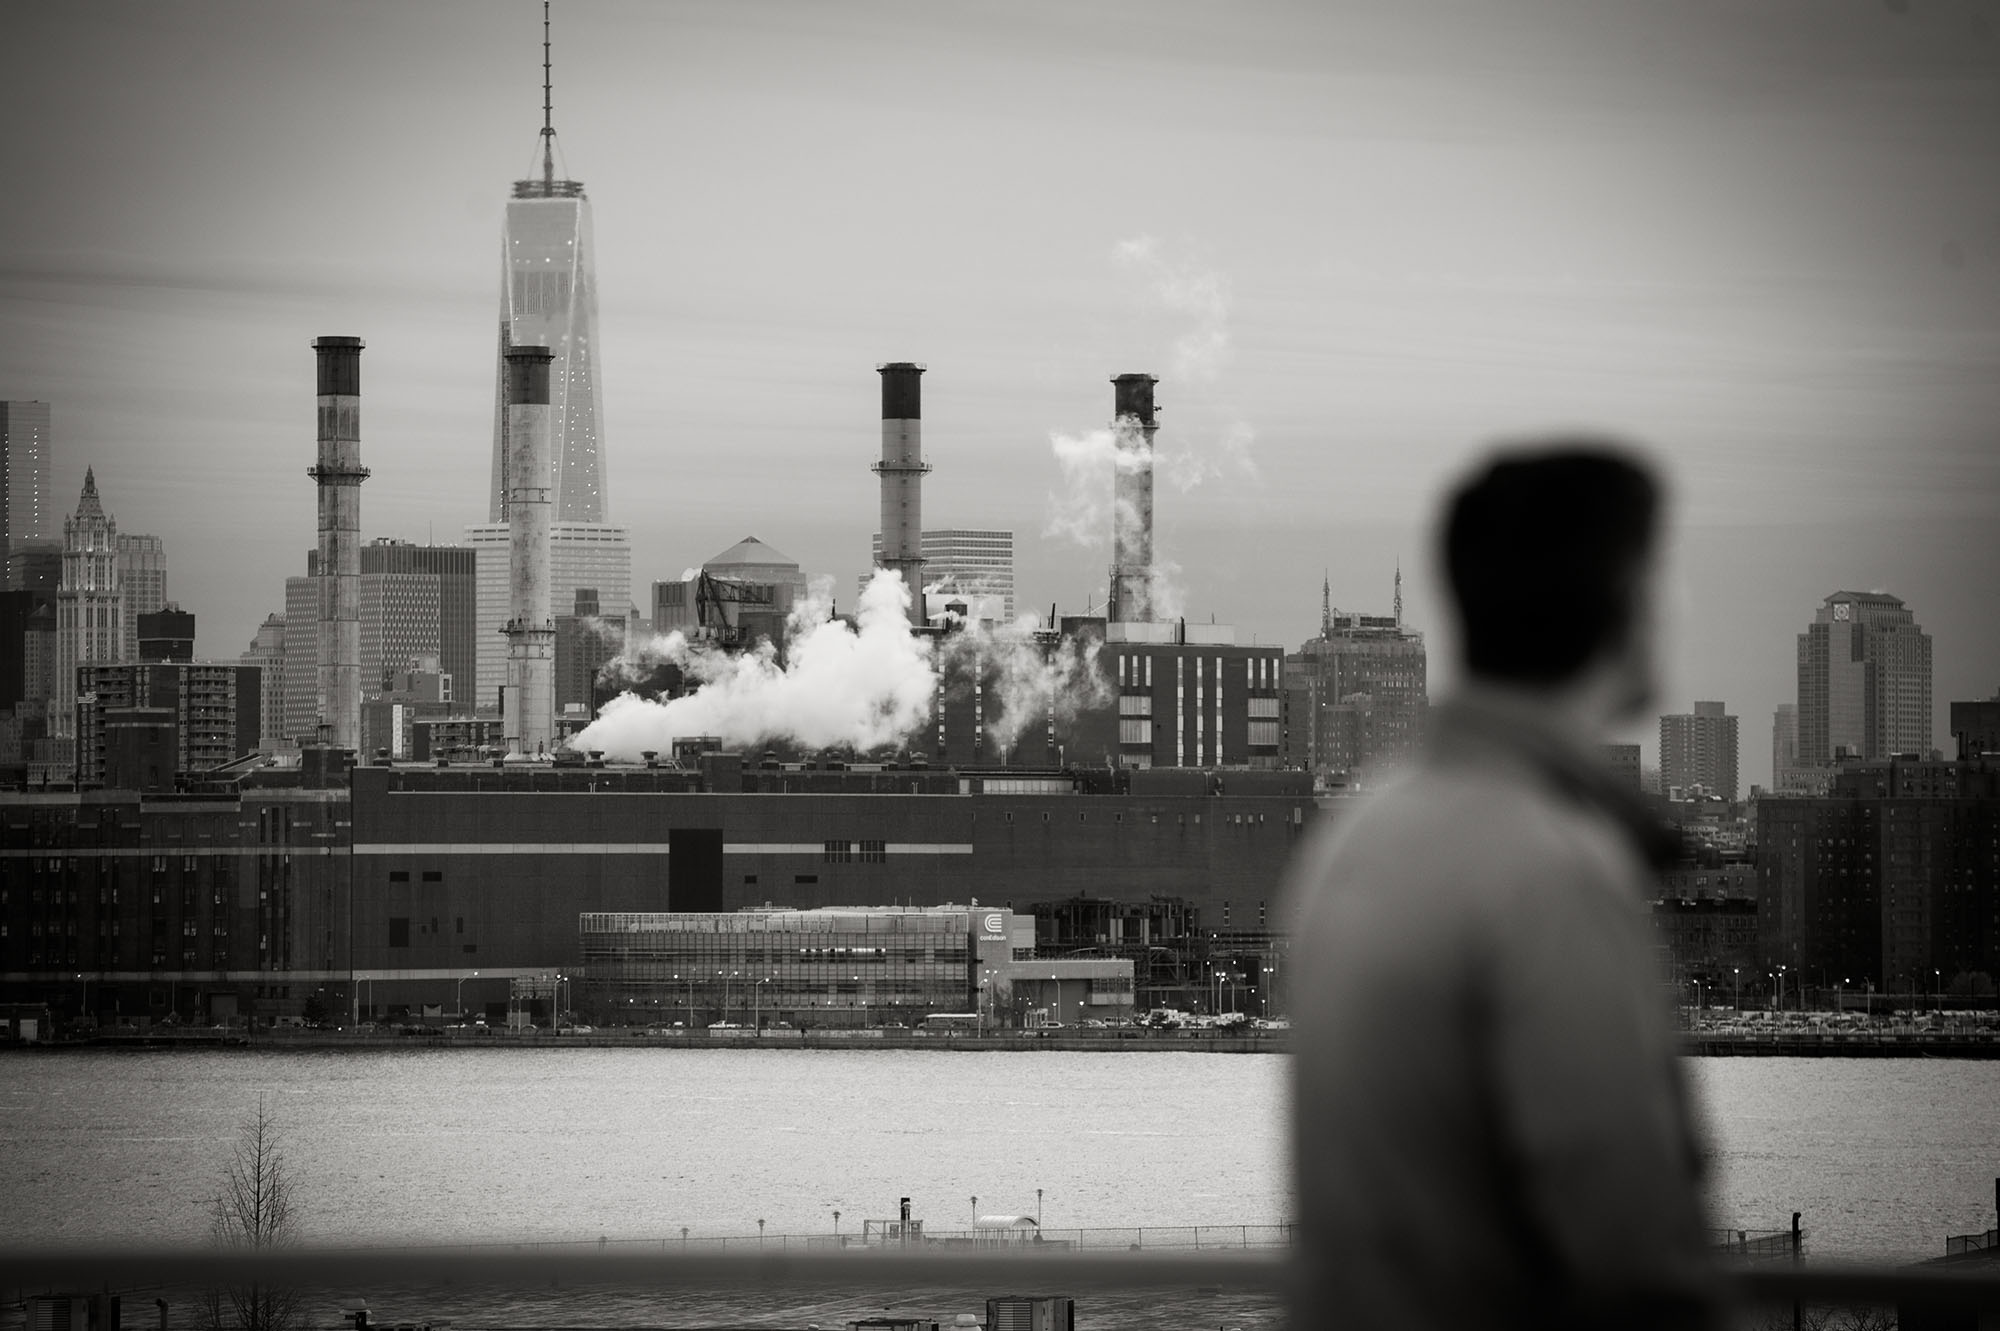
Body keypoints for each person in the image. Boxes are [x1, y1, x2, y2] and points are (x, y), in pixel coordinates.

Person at [1285, 443, 1717, 1330]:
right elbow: (1637, 1256)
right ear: (1624, 599)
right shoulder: (1552, 865)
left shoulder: (1359, 831)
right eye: (1663, 576)